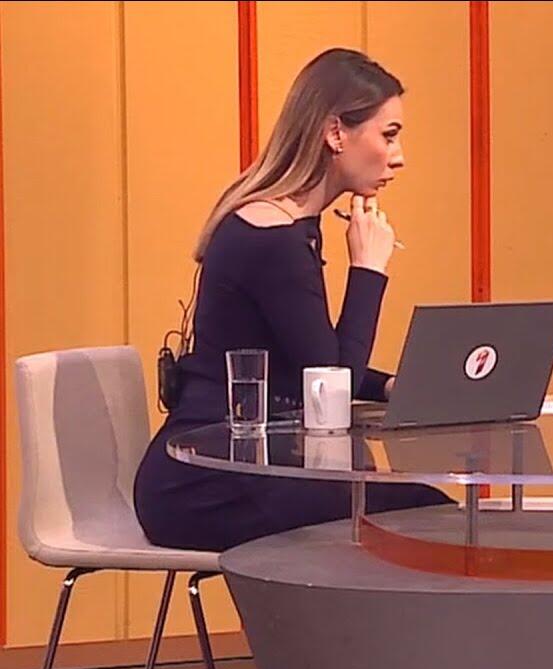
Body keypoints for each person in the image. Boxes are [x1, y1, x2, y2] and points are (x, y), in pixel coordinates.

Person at [134, 48, 451, 552]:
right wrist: (368, 270)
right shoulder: (273, 236)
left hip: (245, 464)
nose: (399, 157)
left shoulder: (289, 224)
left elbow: (307, 357)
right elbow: (331, 388)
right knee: (426, 511)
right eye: (389, 135)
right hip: (206, 483)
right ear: (335, 133)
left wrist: (391, 386)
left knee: (407, 502)